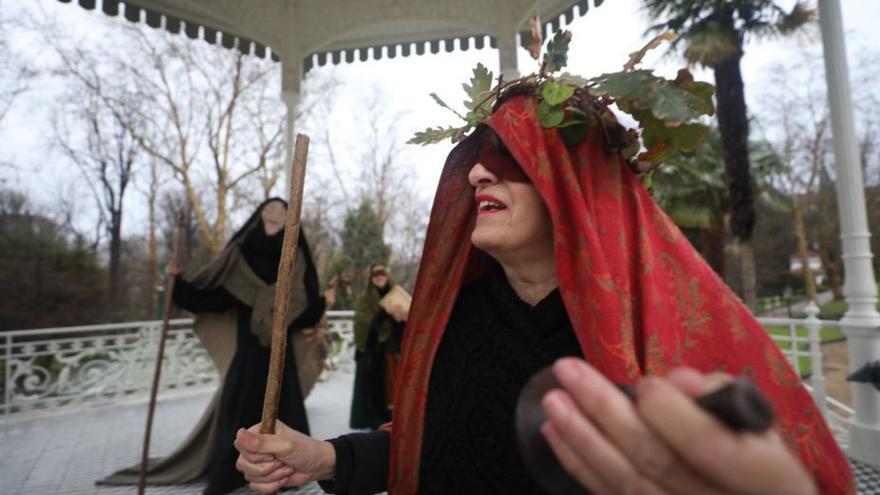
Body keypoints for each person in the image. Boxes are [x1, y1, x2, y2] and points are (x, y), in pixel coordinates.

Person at [232, 95, 854, 494]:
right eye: (476, 157)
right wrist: (321, 457)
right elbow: (430, 445)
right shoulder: (455, 317)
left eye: (507, 156)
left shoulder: (659, 323)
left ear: (573, 181)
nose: (477, 171)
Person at [99, 198, 334, 495]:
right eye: (269, 213)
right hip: (248, 359)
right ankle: (231, 473)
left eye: (281, 214)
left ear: (290, 221)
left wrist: (321, 304)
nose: (274, 218)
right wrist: (178, 284)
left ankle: (283, 475)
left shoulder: (296, 260)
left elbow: (304, 315)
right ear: (258, 216)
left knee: (284, 416)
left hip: (280, 361)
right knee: (238, 417)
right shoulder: (240, 256)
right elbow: (211, 299)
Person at [349, 264, 408, 429]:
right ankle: (378, 422)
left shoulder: (397, 294)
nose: (379, 276)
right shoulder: (366, 299)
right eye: (375, 274)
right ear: (371, 278)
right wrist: (383, 313)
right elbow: (362, 324)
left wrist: (402, 316)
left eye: (382, 273)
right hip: (375, 352)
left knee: (396, 389)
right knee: (377, 390)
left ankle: (398, 422)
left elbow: (411, 317)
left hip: (395, 349)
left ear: (387, 275)